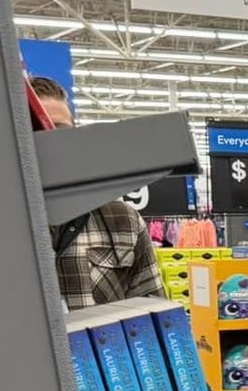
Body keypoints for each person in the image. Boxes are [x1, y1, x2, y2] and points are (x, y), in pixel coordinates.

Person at [34, 76, 162, 309]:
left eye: (60, 131)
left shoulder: (124, 221)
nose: (50, 145)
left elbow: (156, 317)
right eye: (36, 133)